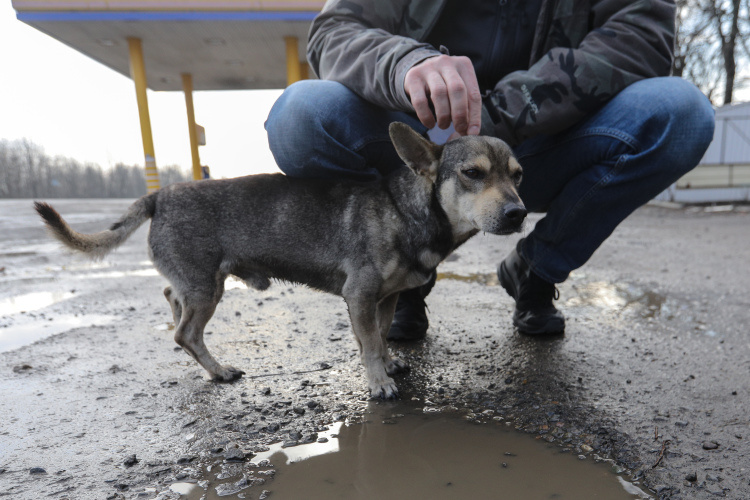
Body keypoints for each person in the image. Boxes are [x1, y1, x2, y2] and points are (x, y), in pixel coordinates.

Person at [265, 0, 715, 340]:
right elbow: (334, 30)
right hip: (423, 143)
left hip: (548, 138)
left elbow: (641, 35)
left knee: (680, 113)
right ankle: (401, 276)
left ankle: (535, 270)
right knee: (300, 117)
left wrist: (503, 111)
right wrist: (407, 63)